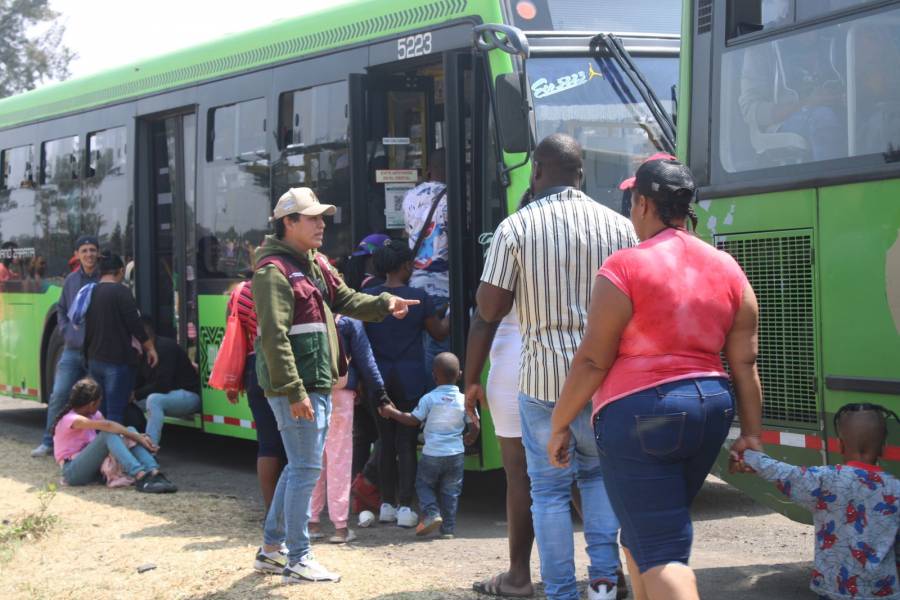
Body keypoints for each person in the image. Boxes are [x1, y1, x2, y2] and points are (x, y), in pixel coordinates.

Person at [546, 156, 762, 600]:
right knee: (642, 533)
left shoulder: (625, 267)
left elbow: (591, 360)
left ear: (643, 203)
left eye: (631, 203)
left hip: (644, 413)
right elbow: (744, 362)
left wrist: (559, 422)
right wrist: (752, 435)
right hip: (711, 408)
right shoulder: (728, 268)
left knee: (663, 549)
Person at [470, 133, 634, 600]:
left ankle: (561, 590)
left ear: (537, 171)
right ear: (581, 173)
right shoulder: (619, 227)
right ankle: (603, 584)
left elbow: (489, 308)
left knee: (548, 492)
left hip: (543, 384)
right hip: (604, 382)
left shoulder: (515, 229)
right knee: (599, 479)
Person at [251, 187, 419, 584]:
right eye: (312, 218)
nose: (321, 224)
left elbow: (345, 299)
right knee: (306, 467)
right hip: (300, 388)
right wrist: (294, 392)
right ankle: (298, 556)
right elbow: (274, 337)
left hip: (317, 383)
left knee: (299, 466)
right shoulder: (272, 272)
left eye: (322, 216)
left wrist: (385, 304)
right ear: (288, 223)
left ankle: (271, 551)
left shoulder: (316, 263)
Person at [737, 403, 900, 600]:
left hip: (833, 589)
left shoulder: (825, 480)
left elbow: (784, 473)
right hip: (882, 591)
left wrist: (748, 454)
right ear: (883, 448)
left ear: (840, 444)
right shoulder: (895, 489)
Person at [466, 190, 536, 598]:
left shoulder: (512, 235)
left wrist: (471, 379)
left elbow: (486, 313)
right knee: (580, 470)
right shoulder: (603, 230)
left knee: (519, 475)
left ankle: (519, 576)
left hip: (514, 368)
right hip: (578, 366)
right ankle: (607, 571)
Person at [363, 239, 450, 529]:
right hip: (411, 379)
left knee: (384, 441)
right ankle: (404, 507)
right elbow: (439, 333)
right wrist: (452, 310)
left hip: (377, 379)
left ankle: (385, 505)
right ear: (405, 266)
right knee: (407, 442)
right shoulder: (418, 297)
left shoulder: (368, 296)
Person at [309, 313, 388, 544]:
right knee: (339, 459)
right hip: (340, 394)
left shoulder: (304, 315)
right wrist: (380, 393)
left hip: (309, 394)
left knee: (313, 458)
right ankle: (340, 528)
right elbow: (365, 359)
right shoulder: (349, 321)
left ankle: (312, 523)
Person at [379, 352, 477, 538]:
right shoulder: (465, 400)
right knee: (451, 491)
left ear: (434, 376)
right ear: (460, 375)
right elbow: (475, 423)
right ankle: (448, 529)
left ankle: (432, 513)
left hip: (432, 454)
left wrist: (391, 411)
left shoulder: (428, 399)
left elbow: (412, 420)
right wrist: (471, 436)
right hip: (455, 454)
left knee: (423, 484)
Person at [32, 236, 101, 458]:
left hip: (96, 350)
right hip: (72, 351)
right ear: (77, 254)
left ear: (97, 253)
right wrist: (66, 332)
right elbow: (61, 309)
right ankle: (48, 441)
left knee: (97, 400)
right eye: (84, 250)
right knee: (59, 394)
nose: (89, 254)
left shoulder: (105, 278)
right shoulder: (71, 281)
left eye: (92, 250)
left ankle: (92, 446)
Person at [225, 274, 286, 511]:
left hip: (254, 370)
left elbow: (234, 338)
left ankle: (272, 511)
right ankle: (298, 512)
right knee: (296, 445)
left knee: (268, 443)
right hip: (284, 366)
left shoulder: (240, 293)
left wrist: (234, 379)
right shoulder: (289, 284)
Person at [52, 378, 176, 492]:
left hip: (91, 468)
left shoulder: (94, 415)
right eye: (99, 401)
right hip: (72, 472)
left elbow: (116, 432)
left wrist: (136, 435)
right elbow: (109, 427)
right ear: (92, 404)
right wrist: (139, 438)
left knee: (129, 430)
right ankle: (140, 475)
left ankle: (153, 472)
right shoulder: (70, 419)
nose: (100, 404)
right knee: (113, 433)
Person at [84, 252, 159, 425]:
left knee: (99, 413)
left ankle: (101, 450)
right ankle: (113, 451)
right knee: (116, 414)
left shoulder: (91, 291)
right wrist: (150, 347)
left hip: (95, 359)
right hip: (117, 362)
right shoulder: (121, 292)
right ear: (120, 271)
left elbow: (86, 327)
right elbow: (135, 324)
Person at [402, 148, 450, 385]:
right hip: (443, 287)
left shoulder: (410, 196)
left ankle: (424, 405)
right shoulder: (455, 196)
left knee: (422, 348)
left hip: (416, 285)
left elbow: (409, 232)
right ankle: (436, 403)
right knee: (439, 350)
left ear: (429, 170)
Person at [133, 317, 200, 445]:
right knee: (126, 402)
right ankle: (136, 441)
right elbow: (140, 380)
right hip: (168, 396)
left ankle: (150, 447)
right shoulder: (142, 353)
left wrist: (136, 394)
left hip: (189, 396)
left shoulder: (165, 347)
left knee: (154, 400)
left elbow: (162, 385)